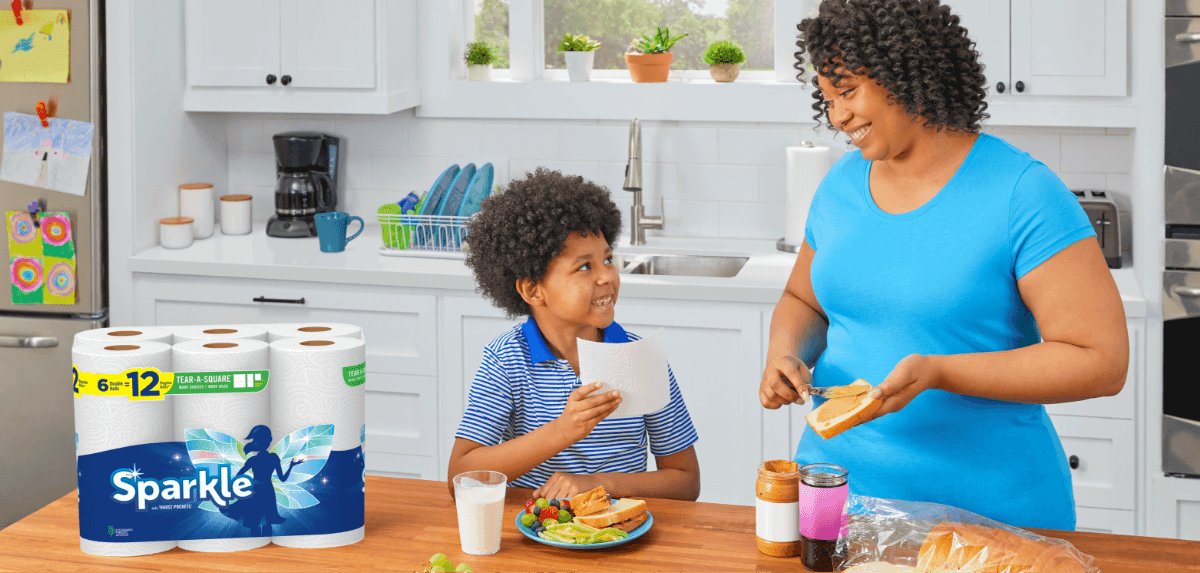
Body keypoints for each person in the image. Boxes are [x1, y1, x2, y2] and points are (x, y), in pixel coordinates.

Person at [760, 0, 1128, 530]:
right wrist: (784, 352)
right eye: (826, 98)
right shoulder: (840, 185)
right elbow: (803, 300)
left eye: (847, 91)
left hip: (990, 515)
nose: (837, 116)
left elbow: (1101, 360)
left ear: (905, 72)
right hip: (839, 501)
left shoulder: (1022, 192)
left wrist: (939, 371)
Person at [448, 168, 701, 501]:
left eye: (608, 259)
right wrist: (563, 430)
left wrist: (601, 484)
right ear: (531, 289)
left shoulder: (639, 357)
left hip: (622, 533)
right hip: (539, 531)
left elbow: (686, 482)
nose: (606, 277)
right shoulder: (506, 360)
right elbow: (460, 479)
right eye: (585, 266)